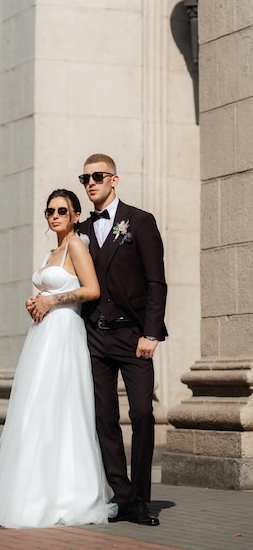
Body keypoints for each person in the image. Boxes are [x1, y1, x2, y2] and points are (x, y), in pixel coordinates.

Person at [0, 189, 109, 529]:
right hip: (42, 335)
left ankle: (68, 495)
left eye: (62, 211)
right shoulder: (50, 251)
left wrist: (53, 302)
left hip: (64, 333)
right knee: (35, 409)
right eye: (50, 211)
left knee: (61, 408)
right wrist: (36, 301)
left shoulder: (76, 245)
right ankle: (31, 492)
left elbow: (92, 289)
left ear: (75, 215)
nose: (54, 216)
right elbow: (49, 291)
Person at [78, 153, 168, 526]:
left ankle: (141, 498)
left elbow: (155, 282)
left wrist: (151, 333)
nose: (90, 183)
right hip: (95, 337)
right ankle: (122, 494)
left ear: (115, 179)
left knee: (143, 415)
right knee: (104, 419)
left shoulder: (141, 221)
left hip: (134, 337)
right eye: (84, 179)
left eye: (97, 176)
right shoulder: (81, 229)